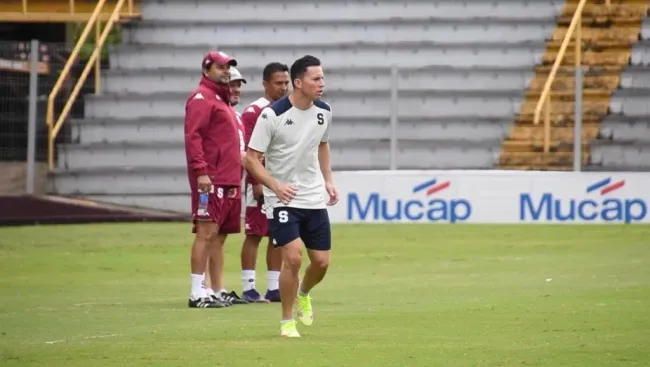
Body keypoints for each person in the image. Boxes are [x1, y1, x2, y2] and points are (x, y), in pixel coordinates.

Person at [244, 55, 339, 337]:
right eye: (316, 79)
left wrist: (328, 180)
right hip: (282, 199)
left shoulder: (324, 111)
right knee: (294, 257)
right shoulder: (272, 115)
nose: (322, 83)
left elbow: (322, 144)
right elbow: (250, 159)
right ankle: (287, 321)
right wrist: (274, 185)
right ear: (298, 83)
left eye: (322, 78)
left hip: (312, 196)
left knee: (322, 262)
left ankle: (303, 292)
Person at [184, 50, 246, 308]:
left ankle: (212, 288)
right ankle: (196, 292)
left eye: (228, 67)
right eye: (221, 67)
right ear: (207, 69)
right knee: (206, 234)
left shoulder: (220, 101)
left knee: (216, 236)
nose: (226, 71)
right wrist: (201, 172)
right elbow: (193, 137)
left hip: (225, 179)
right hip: (211, 179)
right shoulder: (202, 98)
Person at [239, 62, 290, 304]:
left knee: (277, 235)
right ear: (266, 84)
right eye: (278, 83)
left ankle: (273, 288)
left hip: (281, 183)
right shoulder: (253, 111)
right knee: (254, 233)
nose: (283, 87)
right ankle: (248, 287)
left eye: (286, 83)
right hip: (260, 182)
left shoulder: (288, 110)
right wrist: (255, 181)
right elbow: (250, 152)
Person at [202, 65, 250, 306]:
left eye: (239, 85)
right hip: (217, 181)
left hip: (233, 182)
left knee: (220, 238)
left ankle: (218, 288)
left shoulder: (235, 116)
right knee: (208, 235)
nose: (237, 89)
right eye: (232, 84)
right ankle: (204, 288)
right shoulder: (214, 110)